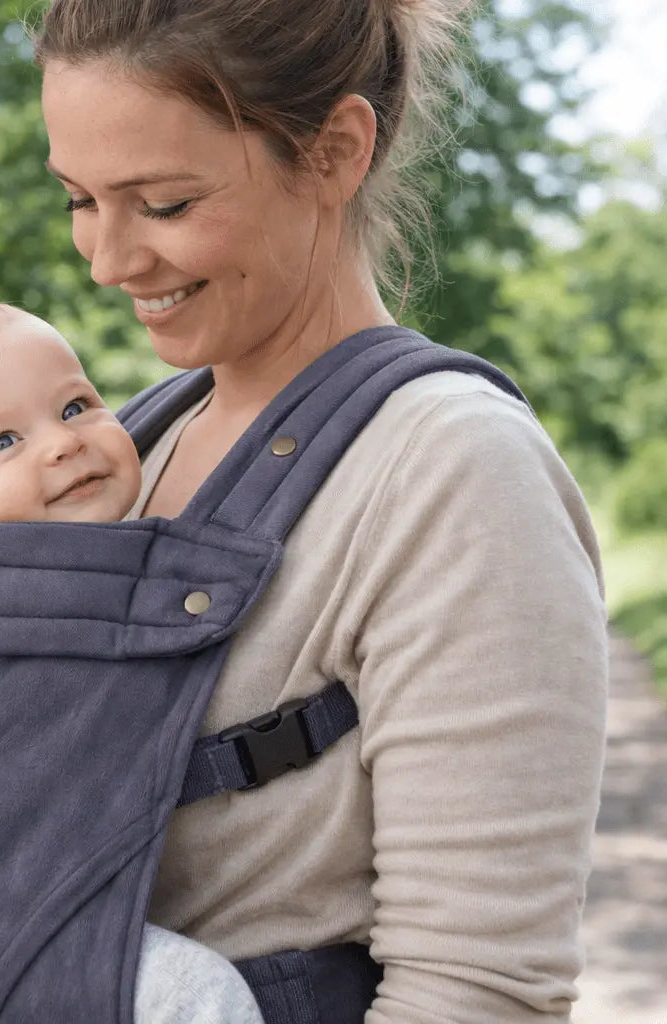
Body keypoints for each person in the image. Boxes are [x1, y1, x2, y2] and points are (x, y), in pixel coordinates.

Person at [32, 0, 609, 1021]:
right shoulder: (131, 442)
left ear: (336, 150)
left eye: (161, 204)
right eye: (80, 198)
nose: (107, 261)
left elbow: (477, 994)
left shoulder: (453, 471)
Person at [0, 300, 266, 1024]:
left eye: (76, 405)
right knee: (198, 999)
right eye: (2, 442)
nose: (62, 444)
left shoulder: (93, 563)